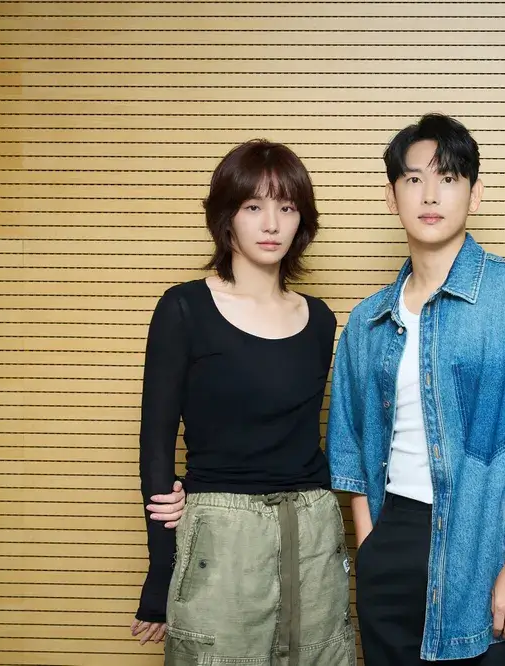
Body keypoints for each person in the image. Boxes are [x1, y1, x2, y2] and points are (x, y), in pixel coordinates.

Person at [324, 113, 505, 665]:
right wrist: (371, 545)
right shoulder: (367, 322)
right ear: (391, 196)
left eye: (448, 178)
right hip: (394, 539)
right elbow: (352, 449)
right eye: (413, 179)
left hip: (489, 545)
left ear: (475, 195)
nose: (430, 194)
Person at [131, 139, 356, 665]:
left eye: (287, 207)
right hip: (220, 532)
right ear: (227, 216)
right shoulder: (184, 308)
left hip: (313, 529)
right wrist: (160, 573)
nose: (272, 224)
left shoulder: (321, 320)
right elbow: (155, 446)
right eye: (254, 206)